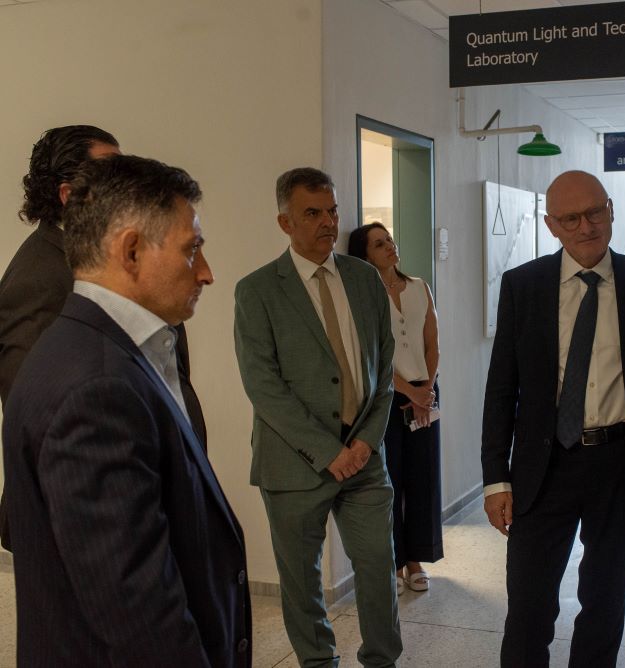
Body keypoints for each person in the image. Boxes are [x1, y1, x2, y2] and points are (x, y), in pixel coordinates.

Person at [2, 154, 250, 667]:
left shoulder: (103, 351)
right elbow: (138, 612)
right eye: (192, 249)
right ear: (132, 251)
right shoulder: (95, 389)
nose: (206, 273)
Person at [481, 170, 625, 668]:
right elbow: (502, 387)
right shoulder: (523, 285)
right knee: (529, 607)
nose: (586, 226)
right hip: (542, 468)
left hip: (619, 465)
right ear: (551, 225)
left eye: (594, 212)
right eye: (570, 218)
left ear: (610, 210)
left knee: (605, 602)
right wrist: (495, 478)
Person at [0, 125, 208, 552]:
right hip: (97, 522)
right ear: (67, 196)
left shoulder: (113, 259)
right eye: (111, 171)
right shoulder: (38, 279)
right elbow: (45, 418)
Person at [234, 168, 401, 668]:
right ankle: (317, 662)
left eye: (332, 211)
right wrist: (329, 452)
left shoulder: (365, 279)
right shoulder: (257, 291)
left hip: (364, 457)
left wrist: (365, 442)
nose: (328, 222)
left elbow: (384, 369)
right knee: (301, 581)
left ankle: (382, 660)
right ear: (285, 222)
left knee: (377, 564)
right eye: (313, 213)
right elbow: (263, 386)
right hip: (294, 462)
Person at [347, 222, 444, 595]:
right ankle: (396, 562)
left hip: (426, 393)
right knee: (391, 481)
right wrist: (409, 392)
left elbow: (432, 342)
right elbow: (372, 356)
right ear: (364, 255)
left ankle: (417, 559)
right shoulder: (365, 295)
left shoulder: (419, 287)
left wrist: (426, 389)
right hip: (387, 397)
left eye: (389, 238)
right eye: (378, 243)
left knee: (423, 478)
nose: (389, 245)